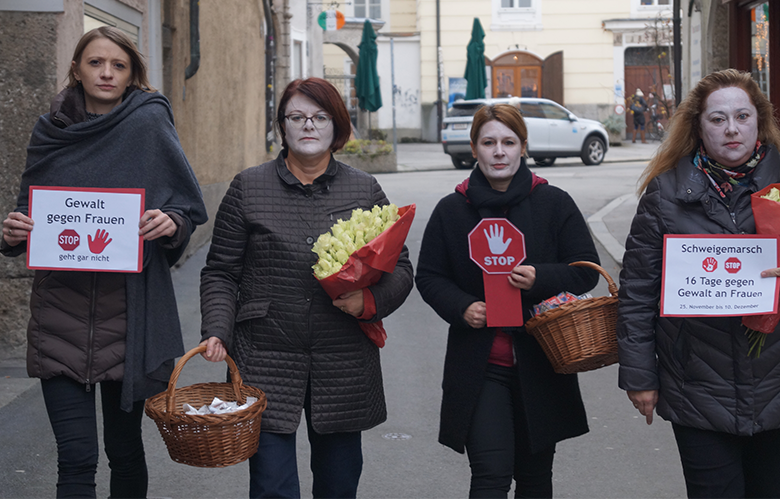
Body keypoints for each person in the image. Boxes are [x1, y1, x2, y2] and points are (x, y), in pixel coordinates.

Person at [0, 26, 207, 498]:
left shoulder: (149, 122)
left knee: (125, 451)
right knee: (75, 458)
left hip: (130, 317)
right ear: (76, 68)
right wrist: (13, 232)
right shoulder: (49, 129)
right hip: (60, 316)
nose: (107, 73)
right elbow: (26, 212)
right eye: (95, 63)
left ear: (133, 72)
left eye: (118, 65)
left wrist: (170, 223)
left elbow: (187, 207)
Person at [199, 77, 413, 499]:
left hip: (343, 357)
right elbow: (221, 271)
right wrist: (217, 329)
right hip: (264, 354)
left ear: (337, 127)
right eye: (297, 117)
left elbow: (400, 268)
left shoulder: (363, 188)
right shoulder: (249, 187)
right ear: (283, 126)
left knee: (338, 484)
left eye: (320, 117)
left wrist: (369, 300)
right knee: (271, 486)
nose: (308, 126)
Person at [415, 103, 600, 498]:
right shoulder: (452, 210)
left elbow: (586, 270)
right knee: (491, 474)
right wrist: (461, 306)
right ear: (474, 148)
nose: (499, 151)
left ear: (523, 147)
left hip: (543, 362)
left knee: (535, 479)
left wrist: (540, 277)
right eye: (489, 142)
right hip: (481, 367)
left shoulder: (554, 204)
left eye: (508, 142)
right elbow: (429, 276)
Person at [617, 69, 780, 499]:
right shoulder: (665, 194)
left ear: (759, 121)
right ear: (698, 127)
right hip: (697, 389)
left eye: (743, 116)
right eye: (717, 118)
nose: (731, 129)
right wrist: (640, 376)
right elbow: (637, 292)